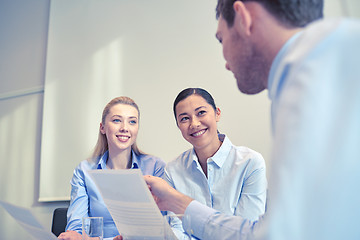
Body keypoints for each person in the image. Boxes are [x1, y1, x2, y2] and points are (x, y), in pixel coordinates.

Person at [144, 0, 360, 239]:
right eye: (184, 118)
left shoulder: (310, 81)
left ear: (243, 16)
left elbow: (278, 233)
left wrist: (181, 204)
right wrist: (178, 203)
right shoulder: (313, 69)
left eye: (220, 39)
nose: (225, 62)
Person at [58, 96, 166, 240]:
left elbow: (162, 227)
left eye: (132, 122)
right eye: (117, 120)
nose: (125, 128)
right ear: (102, 127)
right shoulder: (84, 170)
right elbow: (76, 229)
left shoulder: (155, 167)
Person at [166, 87, 267, 237]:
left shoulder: (250, 163)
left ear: (217, 113)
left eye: (201, 113)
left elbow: (245, 233)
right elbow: (178, 230)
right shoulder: (173, 170)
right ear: (178, 126)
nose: (194, 123)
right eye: (184, 118)